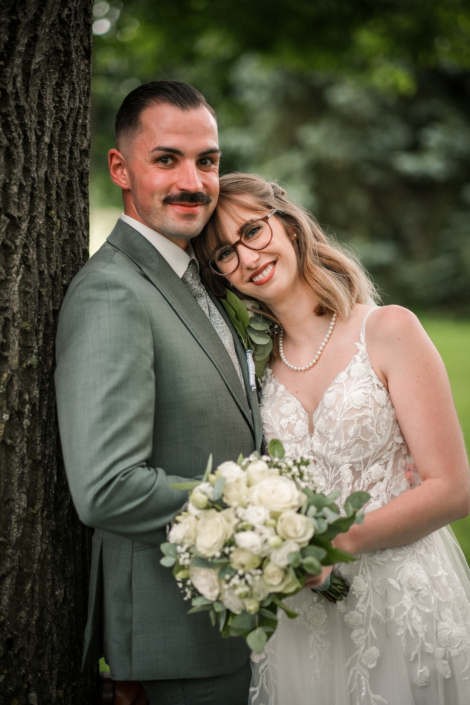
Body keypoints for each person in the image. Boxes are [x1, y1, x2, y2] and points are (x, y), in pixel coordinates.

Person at [194, 172, 470, 705]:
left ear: (289, 225)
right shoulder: (251, 372)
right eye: (224, 254)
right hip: (304, 625)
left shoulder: (389, 330)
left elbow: (453, 489)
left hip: (402, 602)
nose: (247, 257)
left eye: (252, 231)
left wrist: (334, 544)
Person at [55, 83, 263, 705]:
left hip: (230, 624)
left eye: (207, 161)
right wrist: (263, 517)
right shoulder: (113, 293)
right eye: (166, 159)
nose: (193, 183)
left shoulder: (198, 275)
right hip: (173, 639)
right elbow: (107, 488)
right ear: (120, 168)